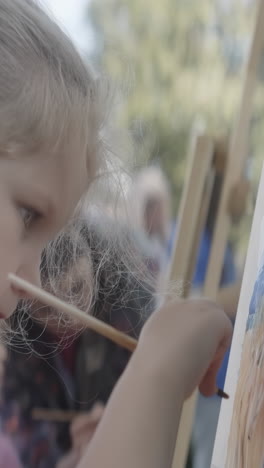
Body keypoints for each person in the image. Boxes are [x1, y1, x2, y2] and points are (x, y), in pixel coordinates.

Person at [0, 2, 232, 468]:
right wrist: (157, 377)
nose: (31, 282)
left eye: (48, 243)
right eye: (28, 214)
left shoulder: (125, 302)